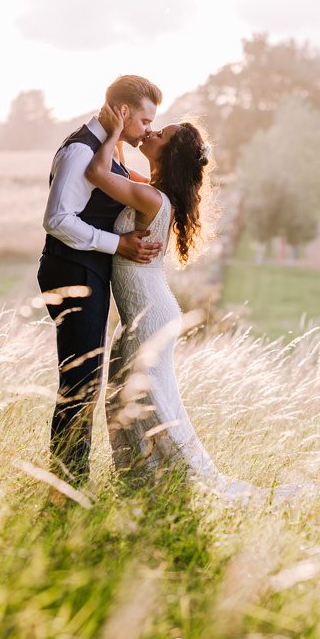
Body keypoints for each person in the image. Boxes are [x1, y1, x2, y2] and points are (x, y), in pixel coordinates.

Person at [86, 104, 259, 502]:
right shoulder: (153, 191)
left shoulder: (152, 199)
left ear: (171, 152)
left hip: (148, 315)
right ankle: (147, 484)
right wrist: (120, 137)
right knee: (129, 395)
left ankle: (158, 486)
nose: (151, 134)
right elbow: (115, 171)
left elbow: (97, 173)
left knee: (139, 399)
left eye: (159, 134)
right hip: (147, 311)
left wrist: (112, 130)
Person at [38, 75, 163, 488]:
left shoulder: (109, 147)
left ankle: (71, 478)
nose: (148, 130)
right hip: (72, 271)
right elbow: (57, 221)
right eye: (145, 120)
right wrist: (118, 244)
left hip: (87, 270)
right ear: (123, 111)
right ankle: (68, 483)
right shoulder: (80, 150)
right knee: (80, 380)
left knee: (86, 376)